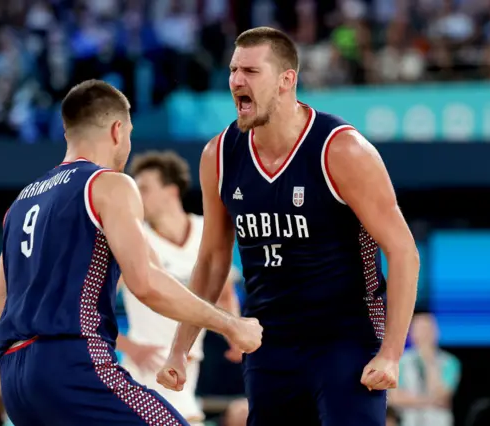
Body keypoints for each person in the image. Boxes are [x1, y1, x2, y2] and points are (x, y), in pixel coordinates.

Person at [157, 27, 420, 426]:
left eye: (250, 70)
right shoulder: (219, 155)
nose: (236, 81)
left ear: (286, 80)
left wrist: (391, 353)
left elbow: (403, 252)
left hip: (344, 338)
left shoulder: (341, 149)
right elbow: (212, 260)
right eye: (232, 70)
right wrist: (180, 348)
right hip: (268, 342)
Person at [0, 80, 263, 426]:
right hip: (73, 366)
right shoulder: (108, 184)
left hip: (15, 381)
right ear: (118, 130)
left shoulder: (20, 203)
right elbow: (145, 282)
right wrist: (231, 325)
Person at [117, 150, 242, 425]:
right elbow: (87, 309)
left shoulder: (205, 231)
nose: (138, 196)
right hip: (143, 371)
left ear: (171, 191)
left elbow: (224, 294)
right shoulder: (134, 240)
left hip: (186, 368)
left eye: (145, 188)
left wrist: (233, 331)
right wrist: (130, 347)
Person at [390, 312, 460, 426]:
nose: (424, 334)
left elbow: (441, 396)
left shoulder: (449, 362)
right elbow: (394, 398)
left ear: (436, 332)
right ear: (411, 333)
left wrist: (429, 360)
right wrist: (428, 401)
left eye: (427, 329)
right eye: (419, 329)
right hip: (408, 421)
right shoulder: (400, 362)